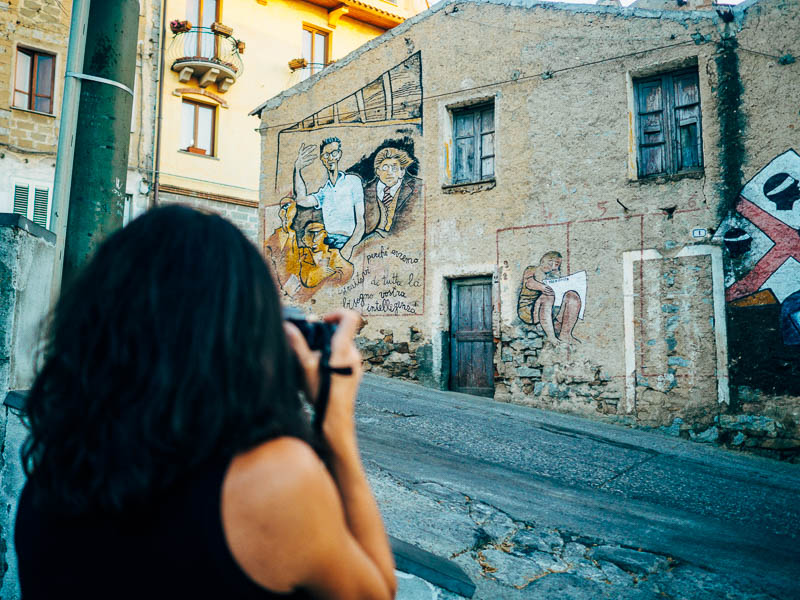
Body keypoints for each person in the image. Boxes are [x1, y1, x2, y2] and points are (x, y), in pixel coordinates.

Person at [15, 205, 397, 600]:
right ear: (248, 337)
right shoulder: (276, 481)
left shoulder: (51, 475)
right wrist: (335, 425)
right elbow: (377, 593)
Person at [294, 138, 365, 261]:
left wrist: (348, 248)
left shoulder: (353, 182)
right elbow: (301, 200)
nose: (330, 158)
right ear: (322, 159)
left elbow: (360, 223)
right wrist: (297, 169)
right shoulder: (324, 192)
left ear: (339, 155)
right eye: (326, 155)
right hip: (327, 243)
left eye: (334, 153)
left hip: (347, 240)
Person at [518, 251, 581, 345]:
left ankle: (565, 334)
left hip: (552, 308)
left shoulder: (554, 274)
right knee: (548, 296)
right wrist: (542, 287)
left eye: (557, 264)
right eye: (550, 262)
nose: (553, 266)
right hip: (529, 311)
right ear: (542, 261)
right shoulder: (532, 269)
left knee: (572, 295)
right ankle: (551, 337)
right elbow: (529, 283)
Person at [363, 147, 420, 237]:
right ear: (378, 171)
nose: (389, 172)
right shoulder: (365, 191)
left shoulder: (418, 187)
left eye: (394, 168)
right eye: (385, 168)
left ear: (402, 172)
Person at [299, 220, 354, 288]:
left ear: (325, 234)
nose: (313, 240)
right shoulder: (302, 254)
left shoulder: (334, 253)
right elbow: (306, 281)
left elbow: (347, 272)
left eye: (317, 233)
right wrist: (320, 272)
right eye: (309, 235)